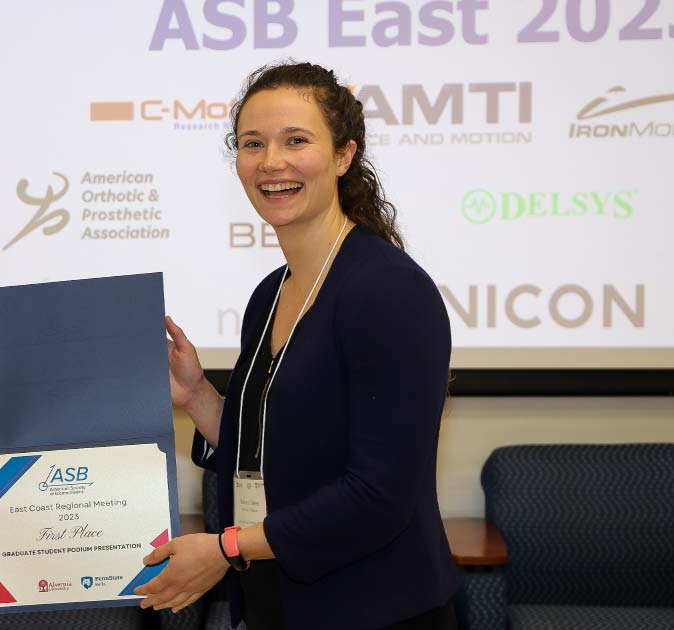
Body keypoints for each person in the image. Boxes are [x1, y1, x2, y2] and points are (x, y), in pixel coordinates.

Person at [135, 62, 460, 628]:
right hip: (279, 599)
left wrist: (225, 548)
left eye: (296, 140)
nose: (271, 162)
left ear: (343, 155)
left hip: (375, 610)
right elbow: (272, 448)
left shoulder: (390, 291)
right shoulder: (271, 293)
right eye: (252, 143)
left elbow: (379, 496)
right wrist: (196, 396)